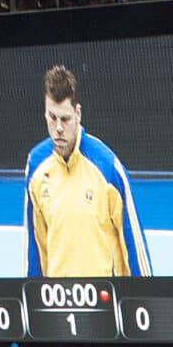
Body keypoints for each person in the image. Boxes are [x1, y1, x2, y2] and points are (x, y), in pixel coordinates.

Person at [24, 63, 149, 278]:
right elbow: (35, 246)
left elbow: (133, 245)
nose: (59, 128)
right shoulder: (36, 165)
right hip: (56, 301)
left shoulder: (107, 167)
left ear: (78, 113)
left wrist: (146, 298)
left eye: (65, 119)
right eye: (52, 118)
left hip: (104, 300)